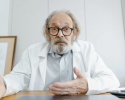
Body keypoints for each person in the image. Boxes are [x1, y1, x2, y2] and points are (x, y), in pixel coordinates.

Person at [0, 9, 120, 98]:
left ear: (75, 33)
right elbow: (18, 78)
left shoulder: (87, 49)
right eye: (54, 29)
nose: (60, 34)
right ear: (47, 33)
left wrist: (87, 85)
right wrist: (4, 84)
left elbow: (112, 80)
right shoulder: (32, 51)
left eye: (66, 29)